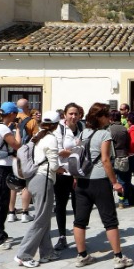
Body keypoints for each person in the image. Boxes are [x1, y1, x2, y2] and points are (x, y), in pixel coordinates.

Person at [73, 102, 134, 269]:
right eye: (107, 115)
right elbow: (106, 160)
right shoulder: (104, 135)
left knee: (80, 220)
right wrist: (115, 182)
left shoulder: (83, 132)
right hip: (99, 181)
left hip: (82, 179)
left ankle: (82, 256)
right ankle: (118, 258)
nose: (109, 118)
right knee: (110, 220)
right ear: (100, 117)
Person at [13, 111, 62, 267]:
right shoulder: (51, 139)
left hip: (32, 179)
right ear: (55, 125)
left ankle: (47, 252)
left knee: (45, 217)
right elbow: (54, 165)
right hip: (43, 179)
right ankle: (23, 254)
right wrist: (60, 168)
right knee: (41, 219)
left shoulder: (37, 137)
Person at [0, 102, 23, 250]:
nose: (17, 116)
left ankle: (0, 233)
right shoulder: (2, 128)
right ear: (12, 114)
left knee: (2, 203)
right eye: (16, 114)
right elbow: (17, 145)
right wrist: (18, 130)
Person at [52, 102, 82, 251]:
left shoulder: (81, 128)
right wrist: (78, 151)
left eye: (76, 113)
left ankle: (79, 237)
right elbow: (59, 151)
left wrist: (72, 151)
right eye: (71, 113)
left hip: (78, 173)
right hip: (63, 172)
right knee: (61, 205)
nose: (73, 116)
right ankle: (62, 236)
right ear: (65, 114)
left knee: (79, 205)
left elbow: (84, 148)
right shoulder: (59, 128)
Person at [13, 98, 38, 223]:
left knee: (12, 184)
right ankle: (25, 212)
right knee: (27, 184)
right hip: (25, 154)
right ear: (27, 107)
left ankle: (11, 212)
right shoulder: (31, 122)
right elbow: (36, 138)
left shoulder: (11, 118)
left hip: (12, 155)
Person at [108, 109, 132, 208]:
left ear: (111, 118)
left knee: (110, 180)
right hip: (123, 156)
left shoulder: (109, 130)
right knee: (122, 181)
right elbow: (128, 143)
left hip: (112, 157)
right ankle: (122, 201)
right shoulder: (124, 129)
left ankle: (109, 201)